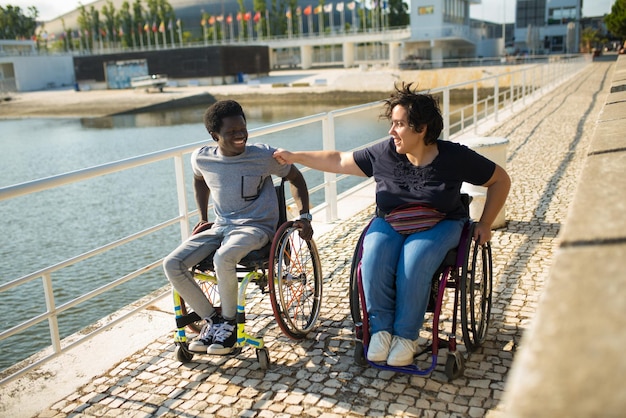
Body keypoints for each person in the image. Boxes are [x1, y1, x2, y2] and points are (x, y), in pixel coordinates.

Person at [274, 82, 510, 366]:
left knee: (415, 258)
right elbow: (339, 159)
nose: (391, 131)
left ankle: (406, 336)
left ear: (421, 129)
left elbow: (500, 180)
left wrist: (485, 223)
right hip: (391, 221)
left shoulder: (454, 156)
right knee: (372, 257)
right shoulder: (384, 153)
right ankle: (381, 331)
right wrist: (295, 157)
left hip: (442, 222)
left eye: (399, 124)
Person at [163, 99, 313, 355]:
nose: (240, 135)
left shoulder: (264, 156)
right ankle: (214, 320)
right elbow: (199, 180)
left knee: (224, 257)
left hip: (256, 228)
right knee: (172, 264)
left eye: (242, 129)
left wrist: (305, 216)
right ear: (214, 135)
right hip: (221, 227)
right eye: (231, 132)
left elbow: (296, 177)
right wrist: (201, 216)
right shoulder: (202, 158)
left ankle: (230, 326)